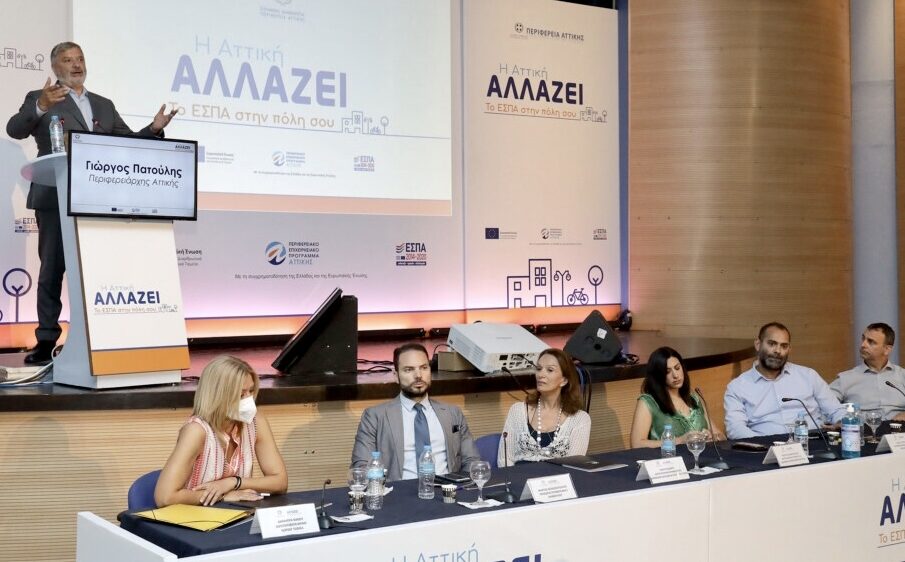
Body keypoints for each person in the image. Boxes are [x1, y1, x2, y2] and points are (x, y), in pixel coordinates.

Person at [6, 41, 178, 364]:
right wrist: (41, 106)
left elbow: (127, 142)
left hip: (97, 199)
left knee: (95, 271)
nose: (76, 65)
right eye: (68, 60)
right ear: (55, 67)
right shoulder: (40, 97)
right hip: (55, 196)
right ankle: (46, 339)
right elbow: (15, 129)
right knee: (52, 268)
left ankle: (95, 337)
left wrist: (154, 129)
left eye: (80, 58)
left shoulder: (103, 104)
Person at [155, 356, 288, 507]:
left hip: (237, 513)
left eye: (251, 391)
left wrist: (233, 482)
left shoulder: (256, 422)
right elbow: (165, 498)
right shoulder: (196, 431)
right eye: (241, 394)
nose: (249, 400)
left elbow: (280, 482)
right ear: (218, 395)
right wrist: (223, 496)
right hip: (194, 516)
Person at [351, 343, 481, 481]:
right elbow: (361, 467)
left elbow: (472, 461)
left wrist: (464, 487)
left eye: (424, 368)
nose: (418, 375)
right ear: (396, 376)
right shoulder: (375, 416)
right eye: (409, 370)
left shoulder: (453, 413)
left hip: (447, 489)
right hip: (398, 491)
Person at [723, 322, 845, 439]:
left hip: (812, 443)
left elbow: (836, 411)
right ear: (758, 344)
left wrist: (842, 423)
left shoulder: (808, 376)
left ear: (789, 349)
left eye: (784, 346)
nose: (778, 351)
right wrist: (762, 445)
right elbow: (735, 429)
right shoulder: (737, 387)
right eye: (772, 344)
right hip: (765, 447)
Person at [497, 348, 591, 465]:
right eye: (539, 369)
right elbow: (504, 460)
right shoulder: (517, 411)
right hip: (518, 476)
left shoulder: (580, 419)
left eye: (550, 370)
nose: (541, 375)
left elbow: (574, 465)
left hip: (559, 476)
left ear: (564, 380)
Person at [629, 346, 721, 448]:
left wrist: (712, 437)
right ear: (658, 375)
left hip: (703, 456)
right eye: (667, 372)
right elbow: (636, 444)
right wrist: (679, 441)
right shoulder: (648, 402)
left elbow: (721, 436)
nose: (676, 375)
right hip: (668, 457)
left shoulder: (694, 398)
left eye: (677, 368)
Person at [830, 322, 905, 421]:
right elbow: (824, 406)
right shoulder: (845, 379)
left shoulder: (902, 375)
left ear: (887, 349)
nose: (863, 345)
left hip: (899, 428)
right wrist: (838, 420)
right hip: (864, 428)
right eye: (863, 339)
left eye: (871, 342)